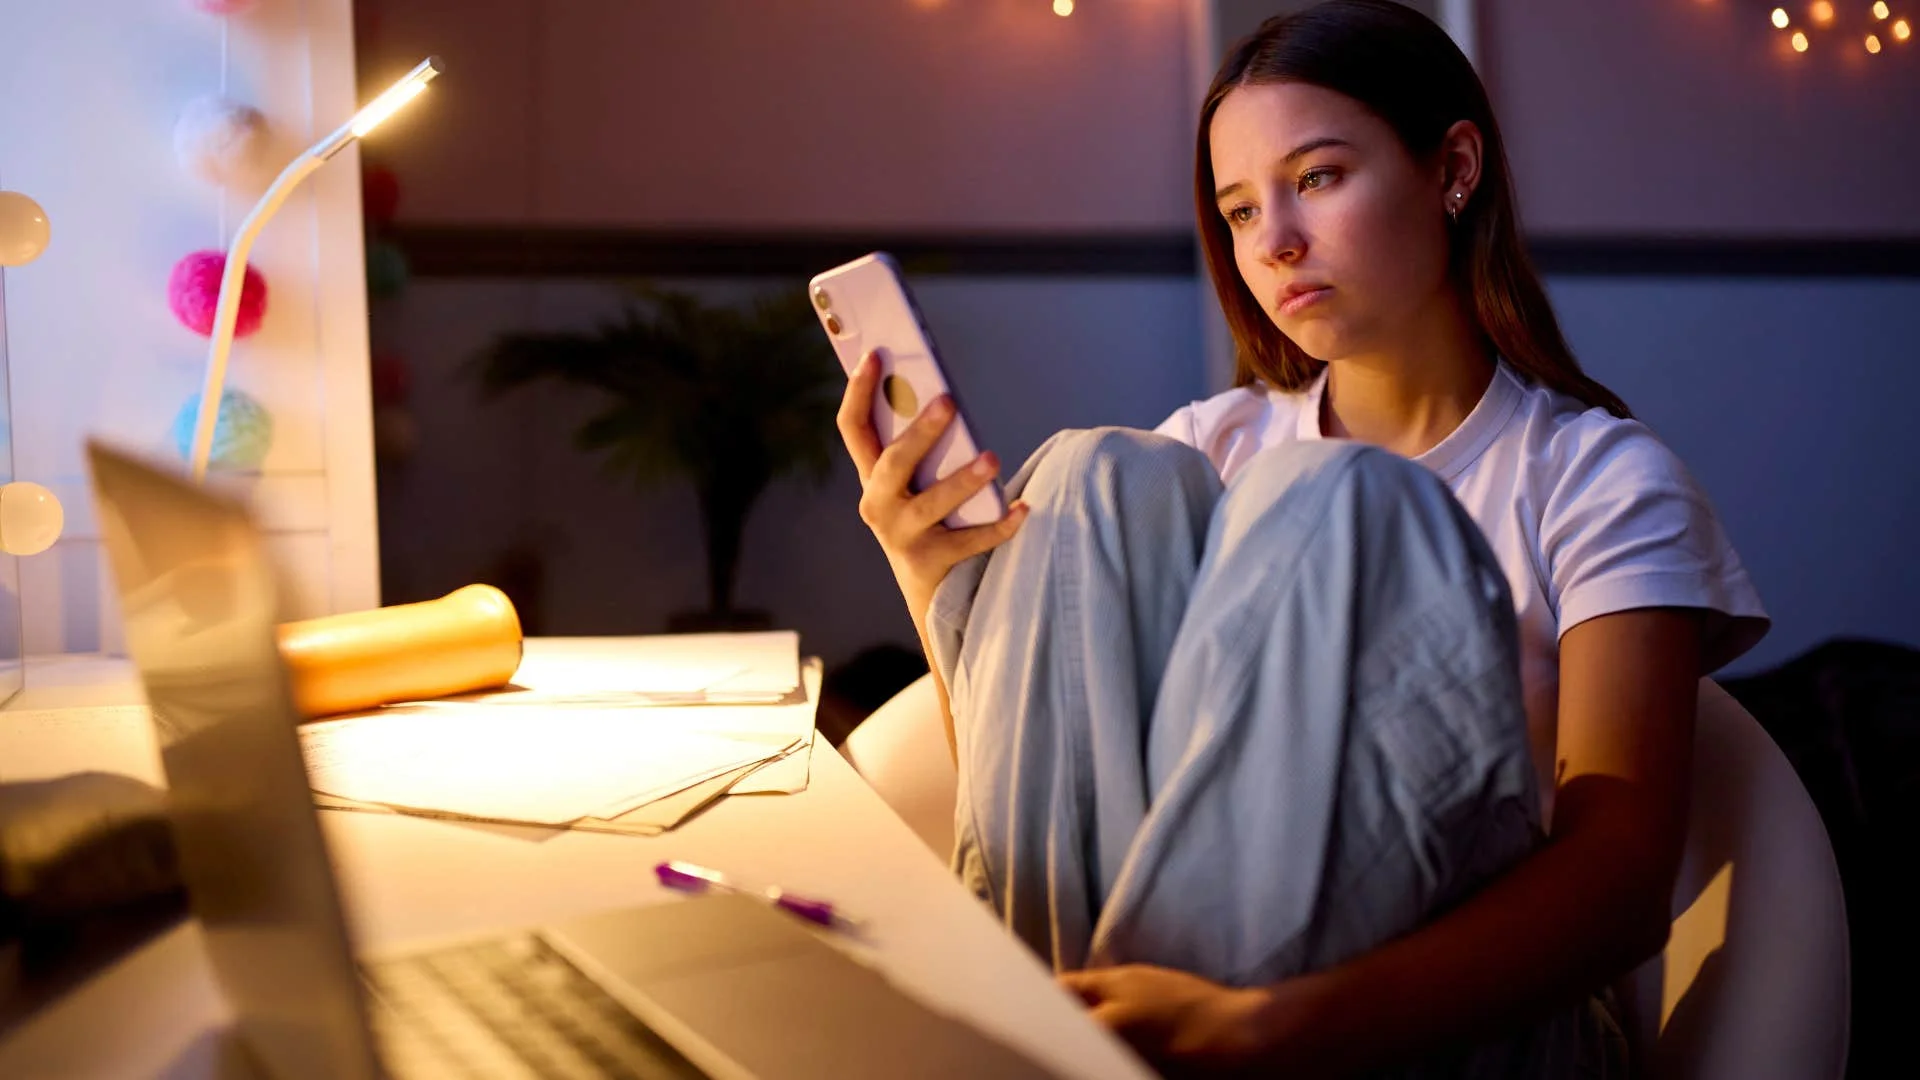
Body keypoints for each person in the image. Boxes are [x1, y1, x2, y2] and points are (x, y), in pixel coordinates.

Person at [834, 1, 1766, 1074]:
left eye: (1317, 178)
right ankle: (1068, 1042)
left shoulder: (1600, 480)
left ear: (1453, 169)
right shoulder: (1195, 452)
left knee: (1338, 501)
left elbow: (1619, 889)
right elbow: (1053, 789)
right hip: (1134, 1006)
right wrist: (925, 573)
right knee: (1095, 474)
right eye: (1237, 210)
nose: (1272, 243)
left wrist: (1271, 1025)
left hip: (1451, 1027)